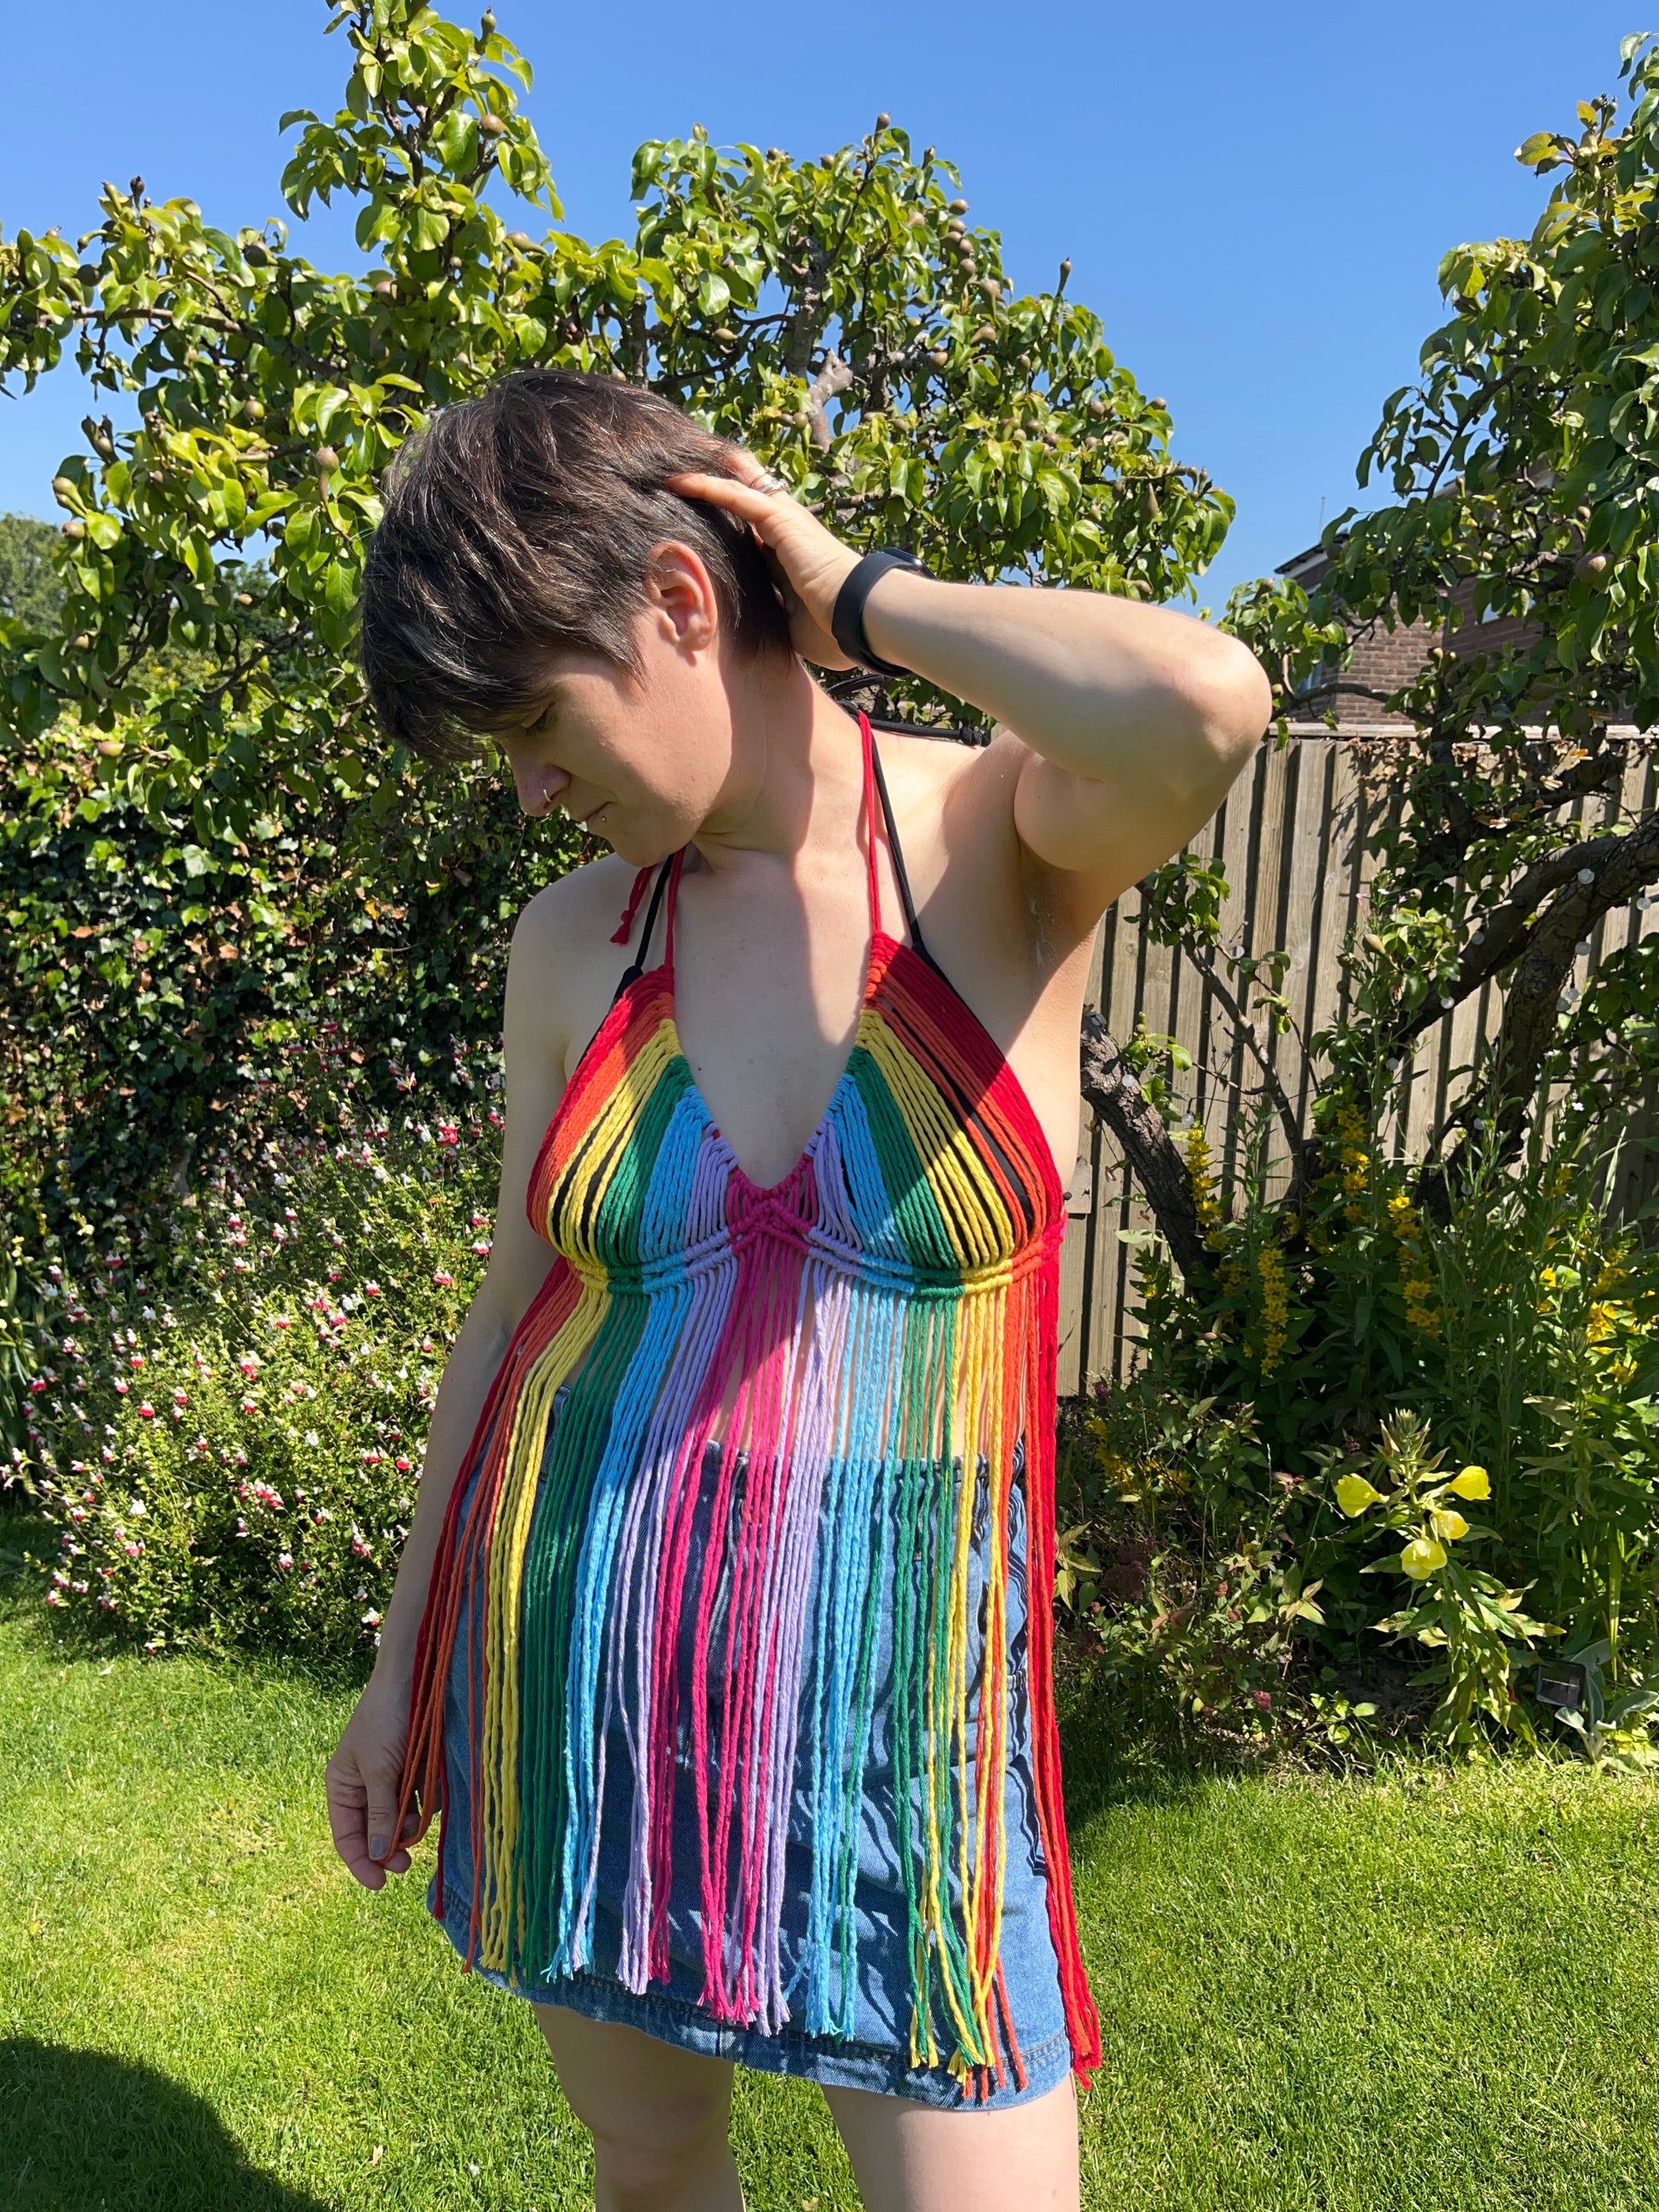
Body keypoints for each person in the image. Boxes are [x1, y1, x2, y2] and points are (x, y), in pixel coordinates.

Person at [328, 367, 1269, 2212]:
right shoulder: (574, 940)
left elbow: (1202, 701)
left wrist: (843, 589)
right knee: (653, 2164)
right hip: (584, 1699)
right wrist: (398, 1661)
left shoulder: (997, 842)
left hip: (906, 1752)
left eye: (534, 717)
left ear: (680, 601)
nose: (528, 789)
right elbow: (514, 1300)